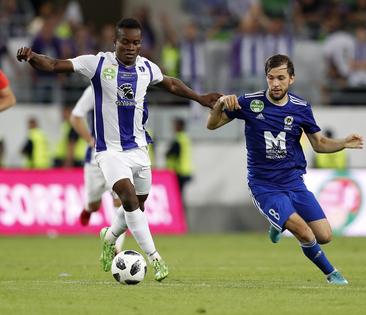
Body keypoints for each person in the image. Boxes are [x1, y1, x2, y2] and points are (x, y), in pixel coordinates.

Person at [17, 17, 220, 282]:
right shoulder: (98, 63)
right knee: (128, 197)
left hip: (138, 149)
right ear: (115, 41)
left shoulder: (147, 68)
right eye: (125, 41)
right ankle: (155, 258)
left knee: (138, 206)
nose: (131, 47)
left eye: (136, 42)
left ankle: (109, 235)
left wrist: (199, 98)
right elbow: (55, 65)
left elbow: (170, 83)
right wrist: (32, 56)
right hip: (108, 151)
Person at [207, 54, 363, 285]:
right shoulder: (250, 102)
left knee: (324, 236)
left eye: (281, 78)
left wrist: (343, 143)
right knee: (305, 233)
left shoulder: (301, 108)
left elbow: (319, 144)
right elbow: (212, 125)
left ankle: (276, 223)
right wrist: (220, 104)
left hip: (294, 183)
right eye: (271, 78)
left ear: (292, 79)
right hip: (264, 186)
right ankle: (332, 274)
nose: (275, 83)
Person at [70, 86, 125, 253]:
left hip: (120, 156)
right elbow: (75, 117)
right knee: (94, 204)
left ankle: (115, 246)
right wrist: (89, 140)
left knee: (121, 202)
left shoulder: (129, 87)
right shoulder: (95, 89)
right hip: (96, 159)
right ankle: (88, 208)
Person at [166, 118, 193, 199]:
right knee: (180, 194)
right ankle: (182, 210)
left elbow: (171, 154)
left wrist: (167, 154)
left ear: (179, 126)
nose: (173, 127)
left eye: (175, 125)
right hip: (185, 170)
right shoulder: (185, 138)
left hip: (179, 171)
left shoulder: (178, 139)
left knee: (178, 195)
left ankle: (180, 211)